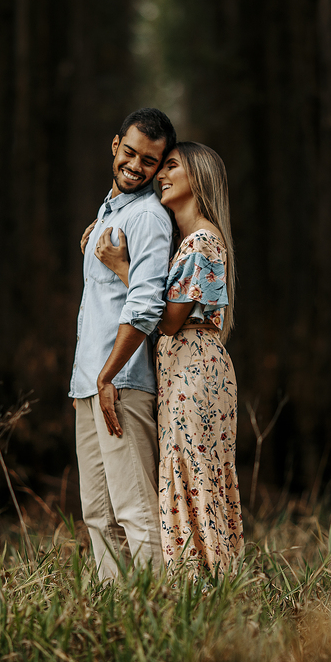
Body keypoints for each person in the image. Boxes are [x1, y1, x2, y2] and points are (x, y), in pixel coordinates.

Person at [92, 141, 242, 575]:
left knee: (192, 472)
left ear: (198, 178)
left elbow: (172, 320)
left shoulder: (202, 242)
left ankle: (201, 584)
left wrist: (124, 269)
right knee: (194, 473)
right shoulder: (190, 242)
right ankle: (202, 581)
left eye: (171, 166)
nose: (161, 173)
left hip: (195, 370)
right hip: (189, 370)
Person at [69, 108, 176, 581]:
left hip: (122, 382)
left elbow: (146, 306)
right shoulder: (110, 211)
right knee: (98, 516)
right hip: (90, 382)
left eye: (149, 161)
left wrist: (109, 375)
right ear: (115, 146)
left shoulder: (149, 217)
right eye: (130, 153)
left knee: (134, 511)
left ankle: (161, 622)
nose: (136, 166)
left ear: (158, 166)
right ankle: (118, 622)